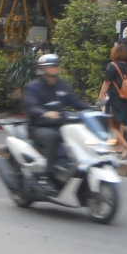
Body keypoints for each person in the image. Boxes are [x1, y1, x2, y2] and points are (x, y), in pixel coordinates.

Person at [23, 53, 89, 182]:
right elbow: (31, 106)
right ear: (44, 68)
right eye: (51, 66)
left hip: (60, 124)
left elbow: (74, 101)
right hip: (38, 126)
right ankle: (47, 177)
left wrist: (91, 109)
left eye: (56, 65)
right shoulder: (33, 87)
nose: (55, 68)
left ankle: (73, 172)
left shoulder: (62, 84)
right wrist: (45, 113)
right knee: (53, 137)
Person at [98, 43, 127, 158]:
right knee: (122, 122)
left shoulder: (112, 66)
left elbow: (107, 83)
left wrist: (101, 97)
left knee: (112, 125)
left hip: (115, 99)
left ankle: (126, 145)